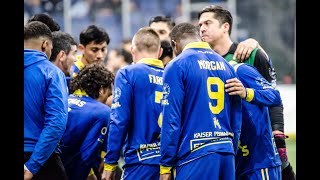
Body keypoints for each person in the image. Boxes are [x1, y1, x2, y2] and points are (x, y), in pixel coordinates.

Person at [198, 5, 296, 179]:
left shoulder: (249, 54)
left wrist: (277, 132)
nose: (202, 28)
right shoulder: (201, 63)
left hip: (257, 151)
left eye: (207, 23)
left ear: (225, 27)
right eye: (200, 25)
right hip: (227, 151)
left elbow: (273, 94)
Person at [159, 22, 242, 180]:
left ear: (174, 44)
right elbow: (236, 117)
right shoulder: (227, 66)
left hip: (196, 153)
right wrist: (230, 148)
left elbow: (171, 120)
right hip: (226, 151)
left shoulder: (176, 65)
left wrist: (165, 165)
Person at [102, 27, 164, 180]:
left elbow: (119, 120)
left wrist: (110, 163)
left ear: (132, 50)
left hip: (140, 161)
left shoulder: (127, 73)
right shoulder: (172, 74)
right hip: (169, 163)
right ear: (160, 52)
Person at [24, 21, 69, 180]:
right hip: (41, 159)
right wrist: (33, 165)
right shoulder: (51, 72)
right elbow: (56, 122)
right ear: (45, 45)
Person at [225, 60, 282, 179]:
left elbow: (274, 96)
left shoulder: (239, 70)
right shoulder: (204, 78)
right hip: (236, 165)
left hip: (260, 164)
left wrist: (246, 93)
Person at [60, 63, 114, 180]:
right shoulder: (102, 111)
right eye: (109, 94)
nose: (108, 99)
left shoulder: (64, 99)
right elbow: (86, 155)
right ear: (101, 90)